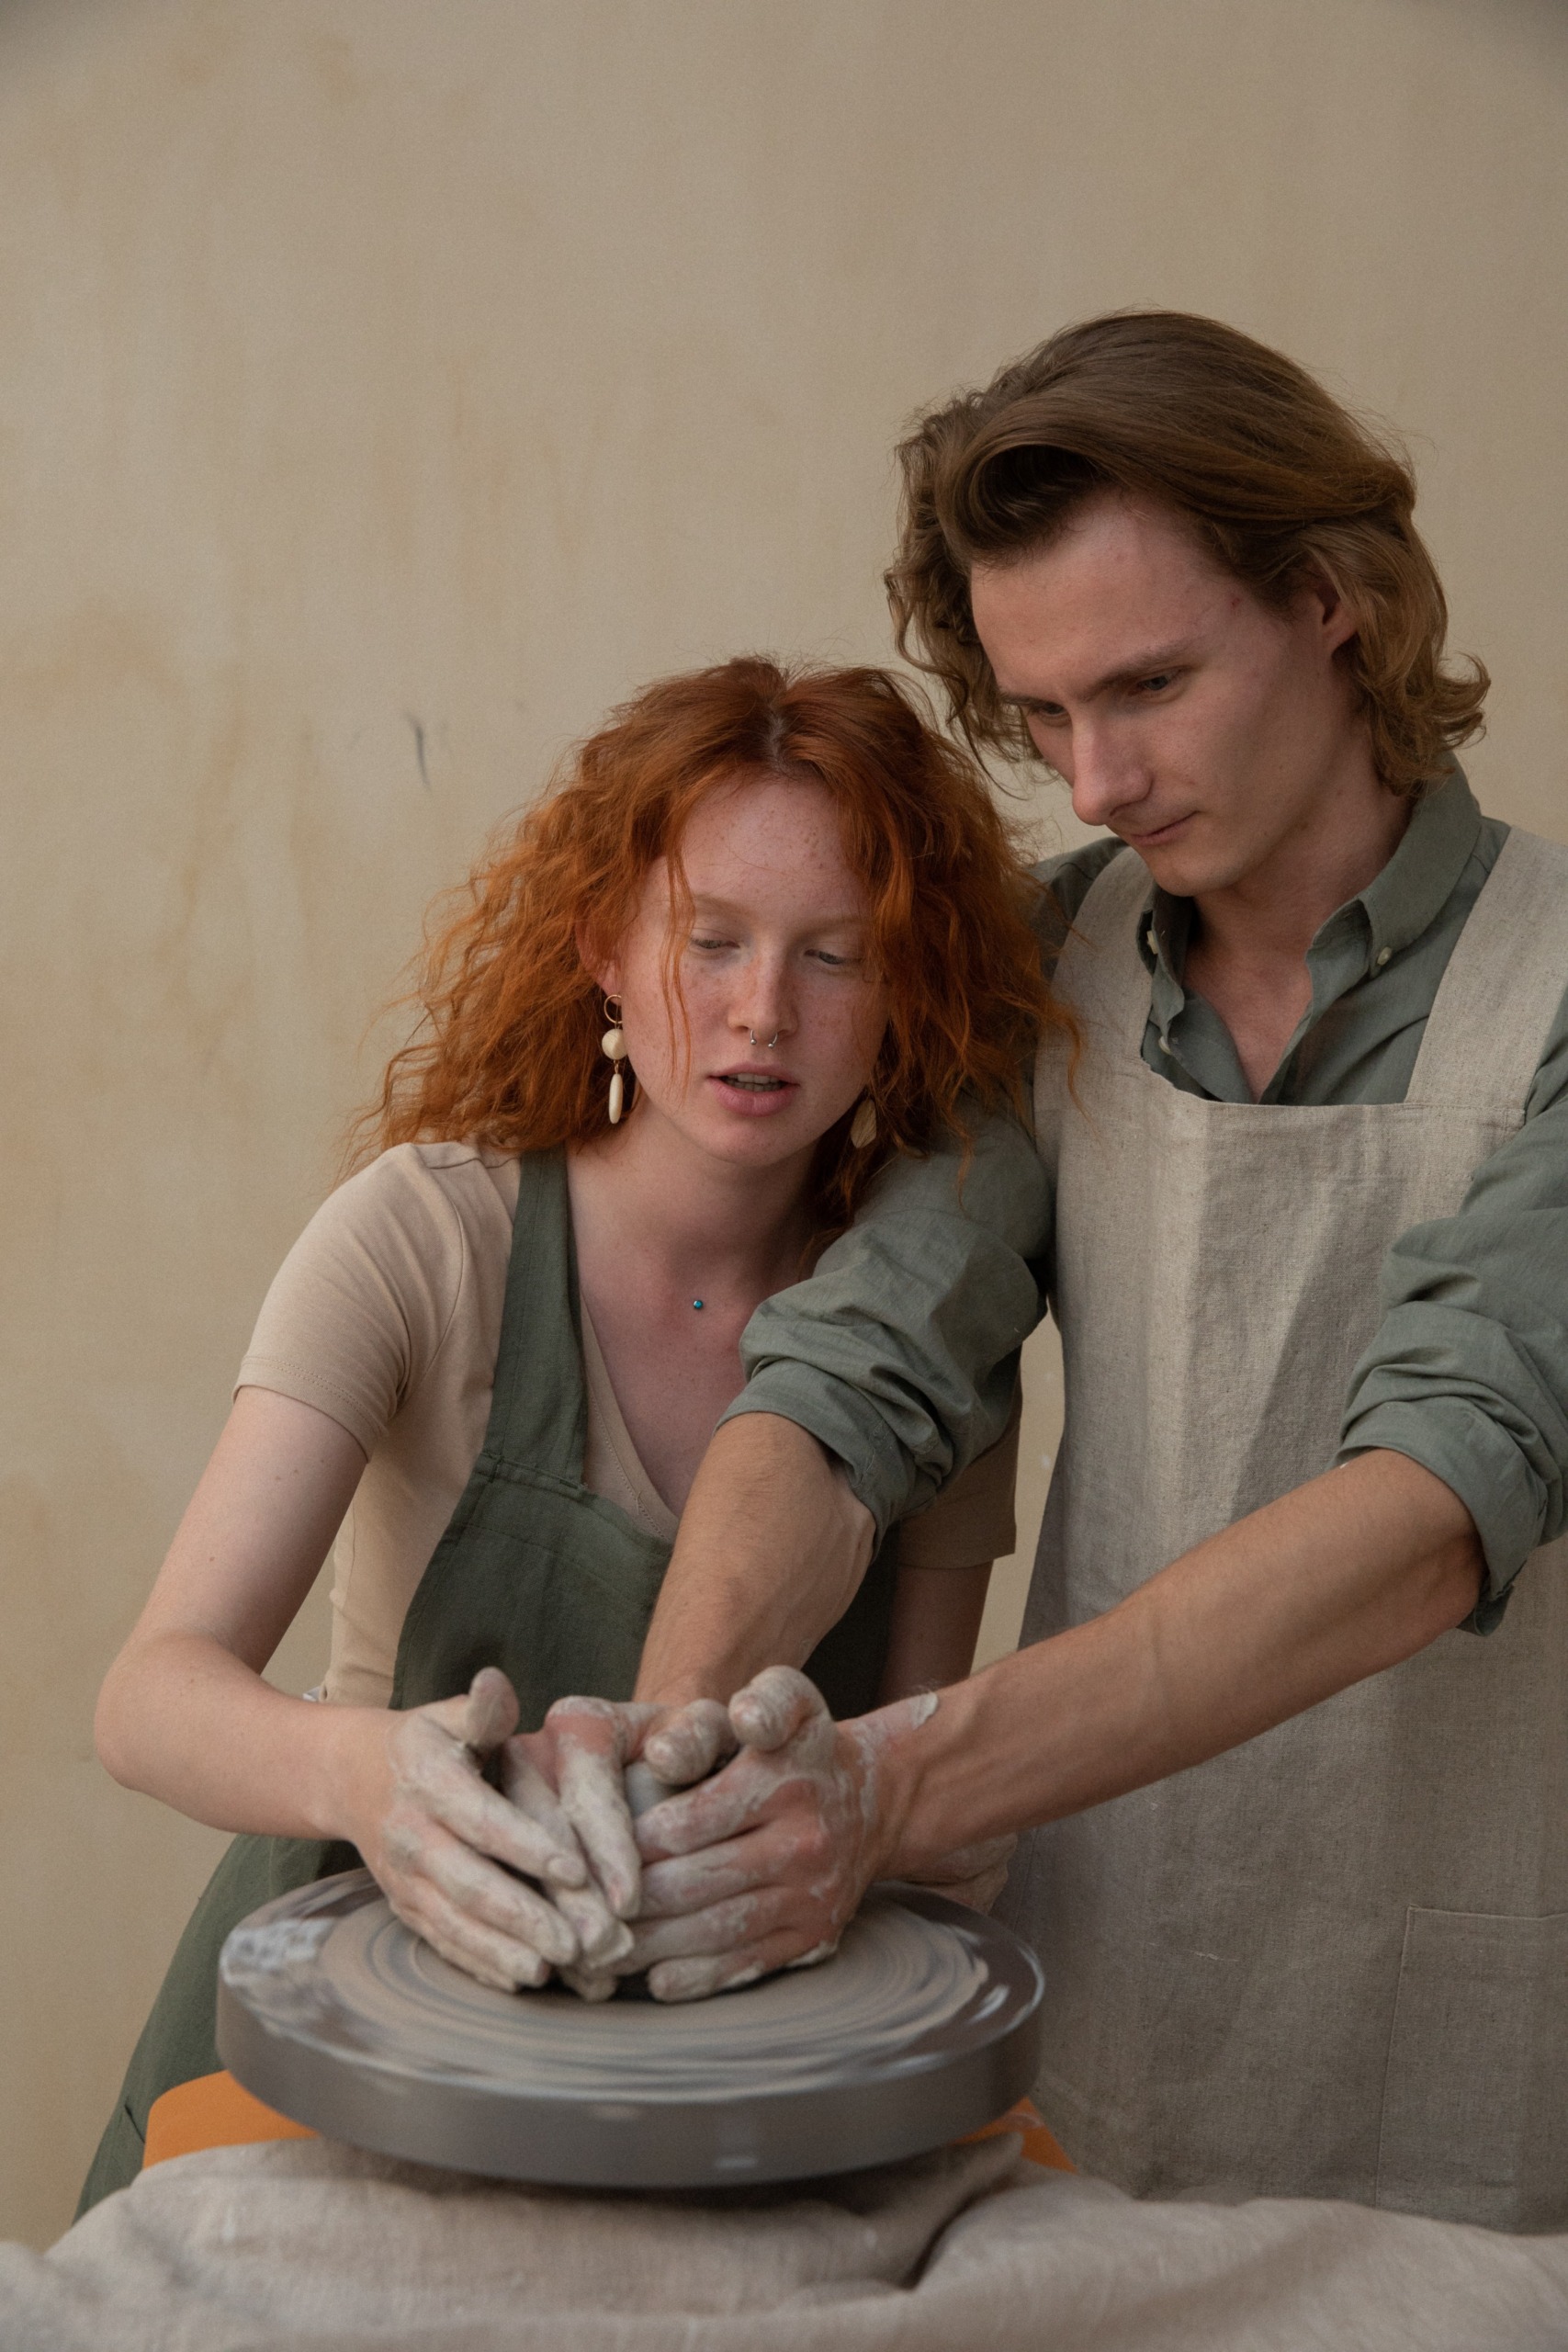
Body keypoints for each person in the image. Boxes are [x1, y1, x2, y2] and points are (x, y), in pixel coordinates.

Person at [581, 315, 1568, 2233]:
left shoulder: (1554, 988)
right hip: (1117, 1963)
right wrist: (669, 1756)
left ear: (1334, 601)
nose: (1096, 775)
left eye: (1149, 685)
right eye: (1038, 713)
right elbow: (852, 1377)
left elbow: (1440, 1496)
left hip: (1480, 1991)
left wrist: (886, 1786)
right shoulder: (1052, 964)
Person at [80, 654, 1061, 2211]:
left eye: (835, 956)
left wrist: (913, 1833)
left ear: (908, 986)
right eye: (710, 940)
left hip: (716, 2088)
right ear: (605, 945)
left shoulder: (932, 1341)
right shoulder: (423, 1238)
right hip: (341, 2039)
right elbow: (147, 1698)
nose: (762, 1012)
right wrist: (369, 1779)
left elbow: (913, 1808)